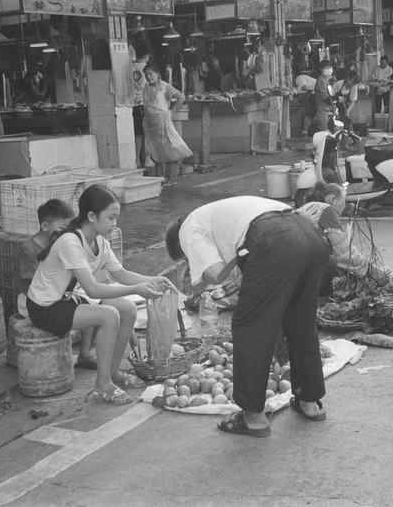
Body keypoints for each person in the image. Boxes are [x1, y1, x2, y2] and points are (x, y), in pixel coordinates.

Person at [166, 197, 330, 437]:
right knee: (300, 321)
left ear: (180, 248)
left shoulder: (188, 229)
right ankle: (310, 402)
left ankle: (253, 416)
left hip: (275, 240)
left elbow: (214, 273)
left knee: (250, 325)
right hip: (310, 235)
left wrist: (197, 280)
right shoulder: (213, 214)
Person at [27, 185, 173, 405]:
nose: (115, 224)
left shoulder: (101, 244)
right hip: (44, 308)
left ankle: (113, 373)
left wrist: (152, 280)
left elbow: (122, 274)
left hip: (66, 299)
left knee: (128, 309)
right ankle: (103, 384)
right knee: (109, 315)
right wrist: (136, 290)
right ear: (92, 216)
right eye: (111, 218)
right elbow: (93, 289)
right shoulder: (70, 242)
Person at [17, 199, 97, 370]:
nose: (66, 233)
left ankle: (85, 354)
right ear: (45, 226)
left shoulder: (65, 242)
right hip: (33, 299)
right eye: (62, 228)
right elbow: (34, 287)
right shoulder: (29, 250)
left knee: (90, 304)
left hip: (58, 293)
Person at [296, 182, 391, 293]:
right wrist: (372, 270)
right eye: (344, 201)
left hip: (291, 262)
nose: (345, 206)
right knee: (330, 263)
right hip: (302, 265)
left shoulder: (302, 209)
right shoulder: (326, 210)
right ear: (333, 199)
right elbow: (344, 253)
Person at [142, 65, 192, 187]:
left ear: (157, 74)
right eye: (146, 75)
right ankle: (161, 177)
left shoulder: (164, 86)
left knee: (170, 150)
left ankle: (172, 178)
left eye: (151, 74)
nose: (149, 77)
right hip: (150, 124)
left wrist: (172, 111)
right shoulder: (145, 88)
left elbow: (181, 97)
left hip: (163, 123)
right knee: (156, 152)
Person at [132, 51, 150, 167]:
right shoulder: (147, 69)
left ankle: (140, 159)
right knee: (143, 134)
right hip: (143, 104)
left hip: (133, 104)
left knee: (138, 134)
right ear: (145, 56)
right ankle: (141, 160)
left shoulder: (130, 67)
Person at [311, 59, 335, 135]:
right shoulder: (321, 80)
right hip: (322, 111)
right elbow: (325, 97)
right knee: (324, 135)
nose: (328, 69)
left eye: (329, 67)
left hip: (328, 110)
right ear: (321, 69)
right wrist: (336, 100)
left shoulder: (327, 80)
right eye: (326, 67)